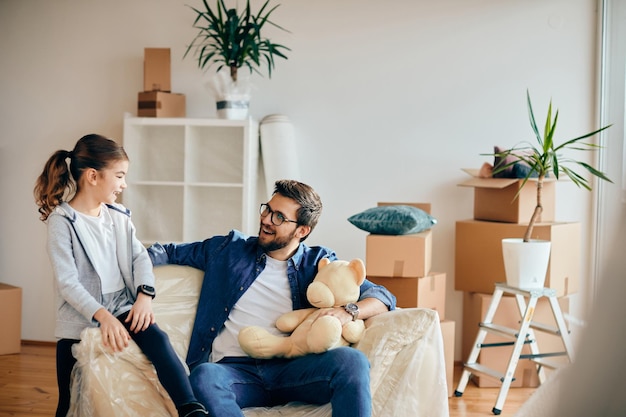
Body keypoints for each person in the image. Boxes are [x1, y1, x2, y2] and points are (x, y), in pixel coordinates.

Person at [148, 179, 397, 417]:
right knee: (203, 376)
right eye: (267, 209)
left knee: (351, 361)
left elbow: (382, 296)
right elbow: (166, 252)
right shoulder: (229, 248)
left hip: (291, 368)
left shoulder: (318, 262)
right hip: (234, 370)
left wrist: (348, 311)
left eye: (279, 217)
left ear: (302, 230)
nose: (266, 219)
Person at [33, 134, 208, 417]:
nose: (124, 184)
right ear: (93, 176)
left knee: (159, 342)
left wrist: (145, 296)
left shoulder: (119, 217)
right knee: (68, 401)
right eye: (119, 175)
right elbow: (68, 283)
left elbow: (140, 257)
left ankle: (191, 409)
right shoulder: (62, 222)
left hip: (124, 306)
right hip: (80, 317)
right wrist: (104, 317)